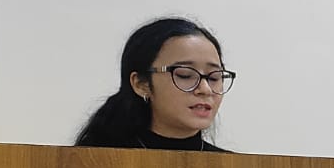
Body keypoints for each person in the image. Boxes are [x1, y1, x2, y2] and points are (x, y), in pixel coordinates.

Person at [75, 17, 236, 150]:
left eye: (214, 77)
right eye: (185, 75)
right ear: (141, 84)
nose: (205, 89)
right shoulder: (94, 162)